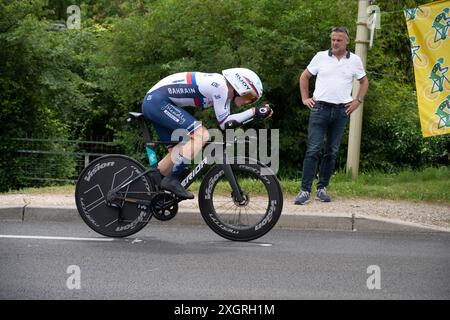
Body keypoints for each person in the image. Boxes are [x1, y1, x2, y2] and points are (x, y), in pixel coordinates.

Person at [141, 68, 272, 199]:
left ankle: (147, 187)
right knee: (201, 135)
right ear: (239, 86)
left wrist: (254, 114)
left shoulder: (223, 90)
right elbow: (225, 123)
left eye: (252, 100)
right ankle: (172, 180)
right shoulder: (220, 86)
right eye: (249, 97)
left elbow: (227, 123)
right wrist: (254, 112)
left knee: (178, 152)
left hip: (156, 102)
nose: (247, 102)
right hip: (157, 102)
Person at [295, 27, 369, 205]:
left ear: (347, 41)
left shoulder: (355, 60)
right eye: (333, 39)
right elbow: (304, 77)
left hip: (341, 111)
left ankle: (322, 189)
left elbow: (364, 82)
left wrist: (357, 101)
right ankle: (304, 191)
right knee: (313, 149)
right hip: (320, 109)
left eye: (339, 40)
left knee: (331, 151)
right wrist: (305, 98)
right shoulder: (320, 56)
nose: (335, 43)